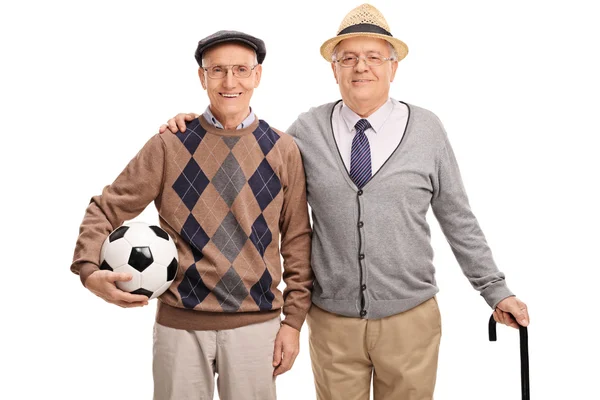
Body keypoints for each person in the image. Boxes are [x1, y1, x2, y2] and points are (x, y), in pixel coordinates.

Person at [159, 4, 530, 400]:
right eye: (348, 58)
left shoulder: (427, 130)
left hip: (411, 320)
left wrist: (495, 290)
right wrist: (197, 128)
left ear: (393, 67)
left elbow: (458, 218)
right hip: (332, 323)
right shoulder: (305, 130)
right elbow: (247, 152)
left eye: (373, 57)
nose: (361, 68)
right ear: (333, 69)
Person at [71, 30, 313, 400]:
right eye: (217, 70)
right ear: (202, 77)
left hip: (257, 325)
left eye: (240, 70)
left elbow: (297, 239)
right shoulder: (169, 144)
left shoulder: (283, 150)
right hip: (179, 327)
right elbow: (106, 208)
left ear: (257, 76)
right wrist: (89, 271)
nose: (230, 82)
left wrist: (293, 322)